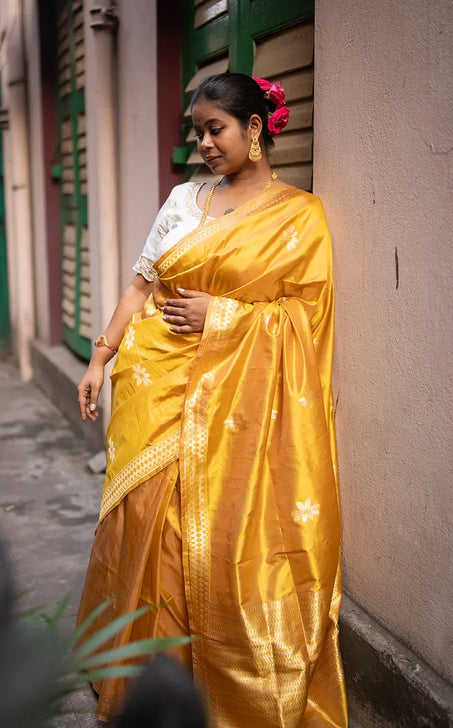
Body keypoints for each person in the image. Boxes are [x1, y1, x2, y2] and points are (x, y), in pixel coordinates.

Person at [76, 73, 348, 728]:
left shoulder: (298, 216)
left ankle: (221, 689)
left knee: (220, 544)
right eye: (196, 131)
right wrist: (99, 356)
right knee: (147, 528)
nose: (203, 143)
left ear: (254, 129)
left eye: (214, 128)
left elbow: (304, 317)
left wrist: (223, 315)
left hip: (235, 405)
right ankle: (150, 680)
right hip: (155, 390)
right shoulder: (181, 202)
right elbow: (141, 288)